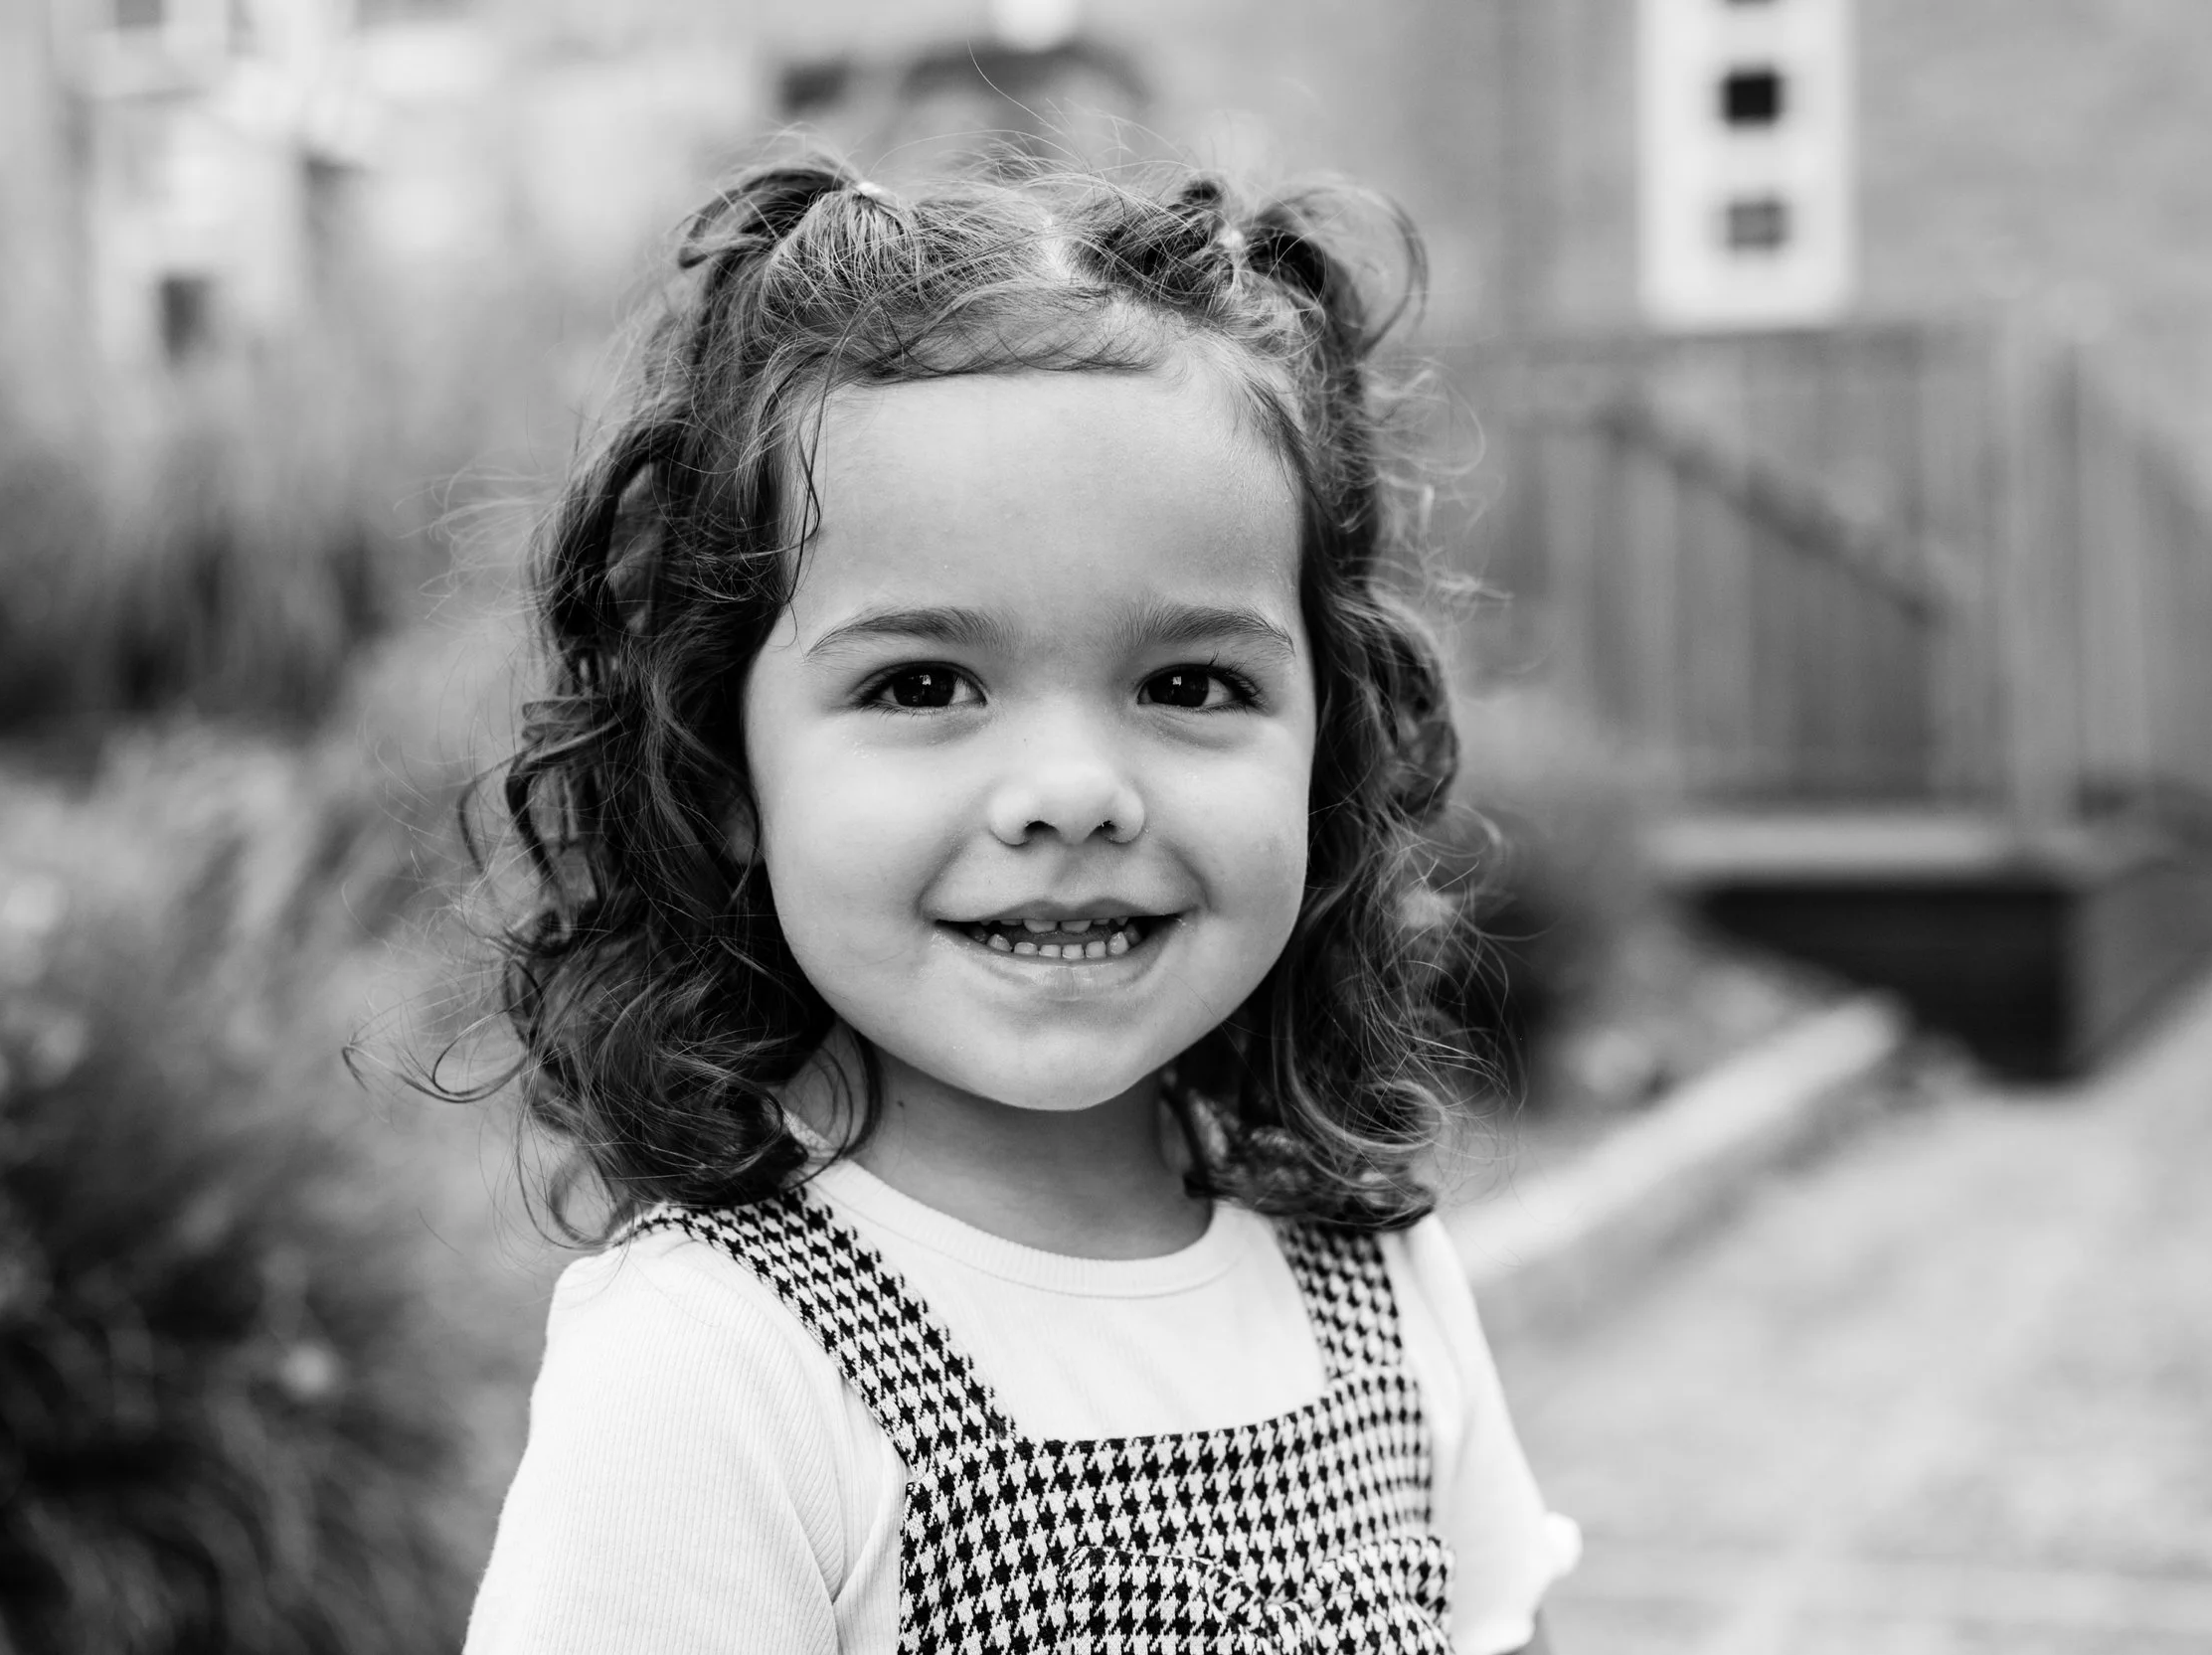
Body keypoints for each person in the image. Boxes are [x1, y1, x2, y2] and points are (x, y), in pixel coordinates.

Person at [460, 155, 1576, 1654]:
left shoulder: (1371, 1277)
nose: (1071, 791)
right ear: (725, 764)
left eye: (1190, 684)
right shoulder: (716, 1366)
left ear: (1328, 743)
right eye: (923, 685)